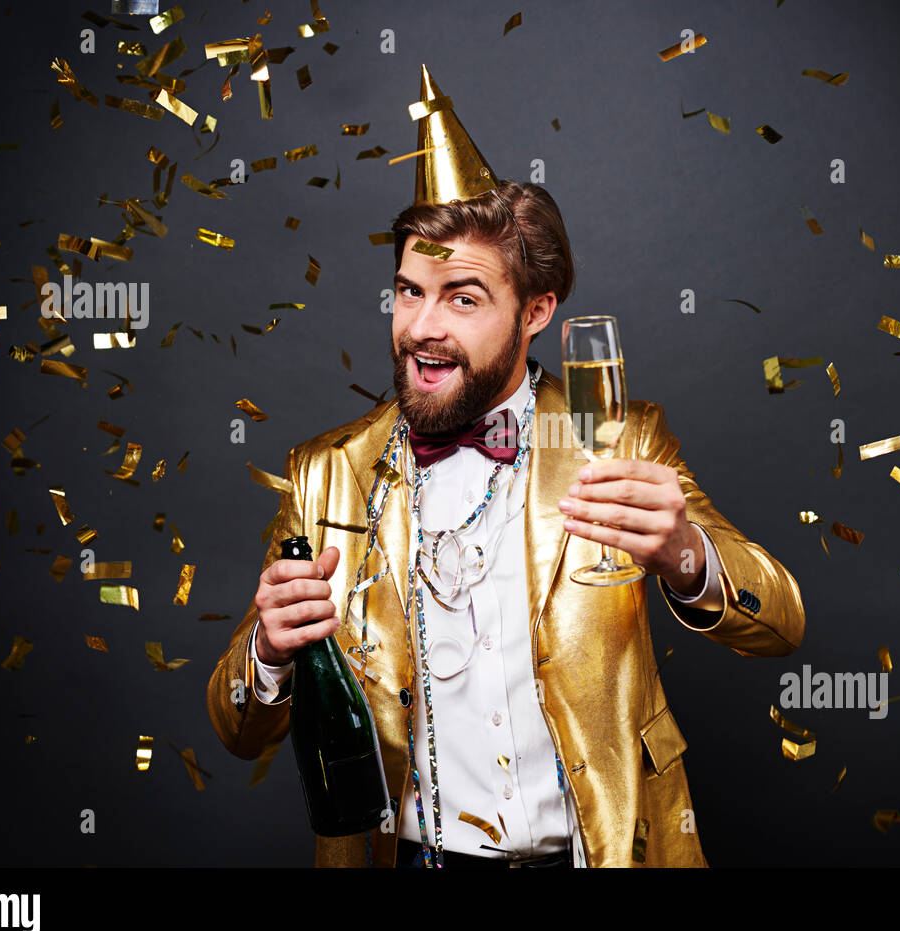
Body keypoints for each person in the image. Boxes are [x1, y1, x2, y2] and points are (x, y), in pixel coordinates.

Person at [206, 66, 805, 868]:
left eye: (461, 297)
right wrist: (268, 654)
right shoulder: (325, 474)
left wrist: (686, 555)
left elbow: (781, 623)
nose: (422, 327)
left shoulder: (619, 440)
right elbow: (237, 729)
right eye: (408, 291)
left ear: (536, 309)